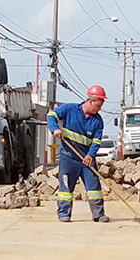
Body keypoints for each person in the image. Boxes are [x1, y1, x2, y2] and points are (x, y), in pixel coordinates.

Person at [47, 85, 110, 223]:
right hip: (68, 157)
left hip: (86, 159)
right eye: (98, 106)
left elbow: (96, 141)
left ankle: (98, 214)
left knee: (94, 187)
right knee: (66, 187)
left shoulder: (97, 121)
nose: (99, 109)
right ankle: (64, 214)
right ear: (91, 101)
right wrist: (55, 129)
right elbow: (51, 115)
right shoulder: (69, 109)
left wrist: (90, 155)